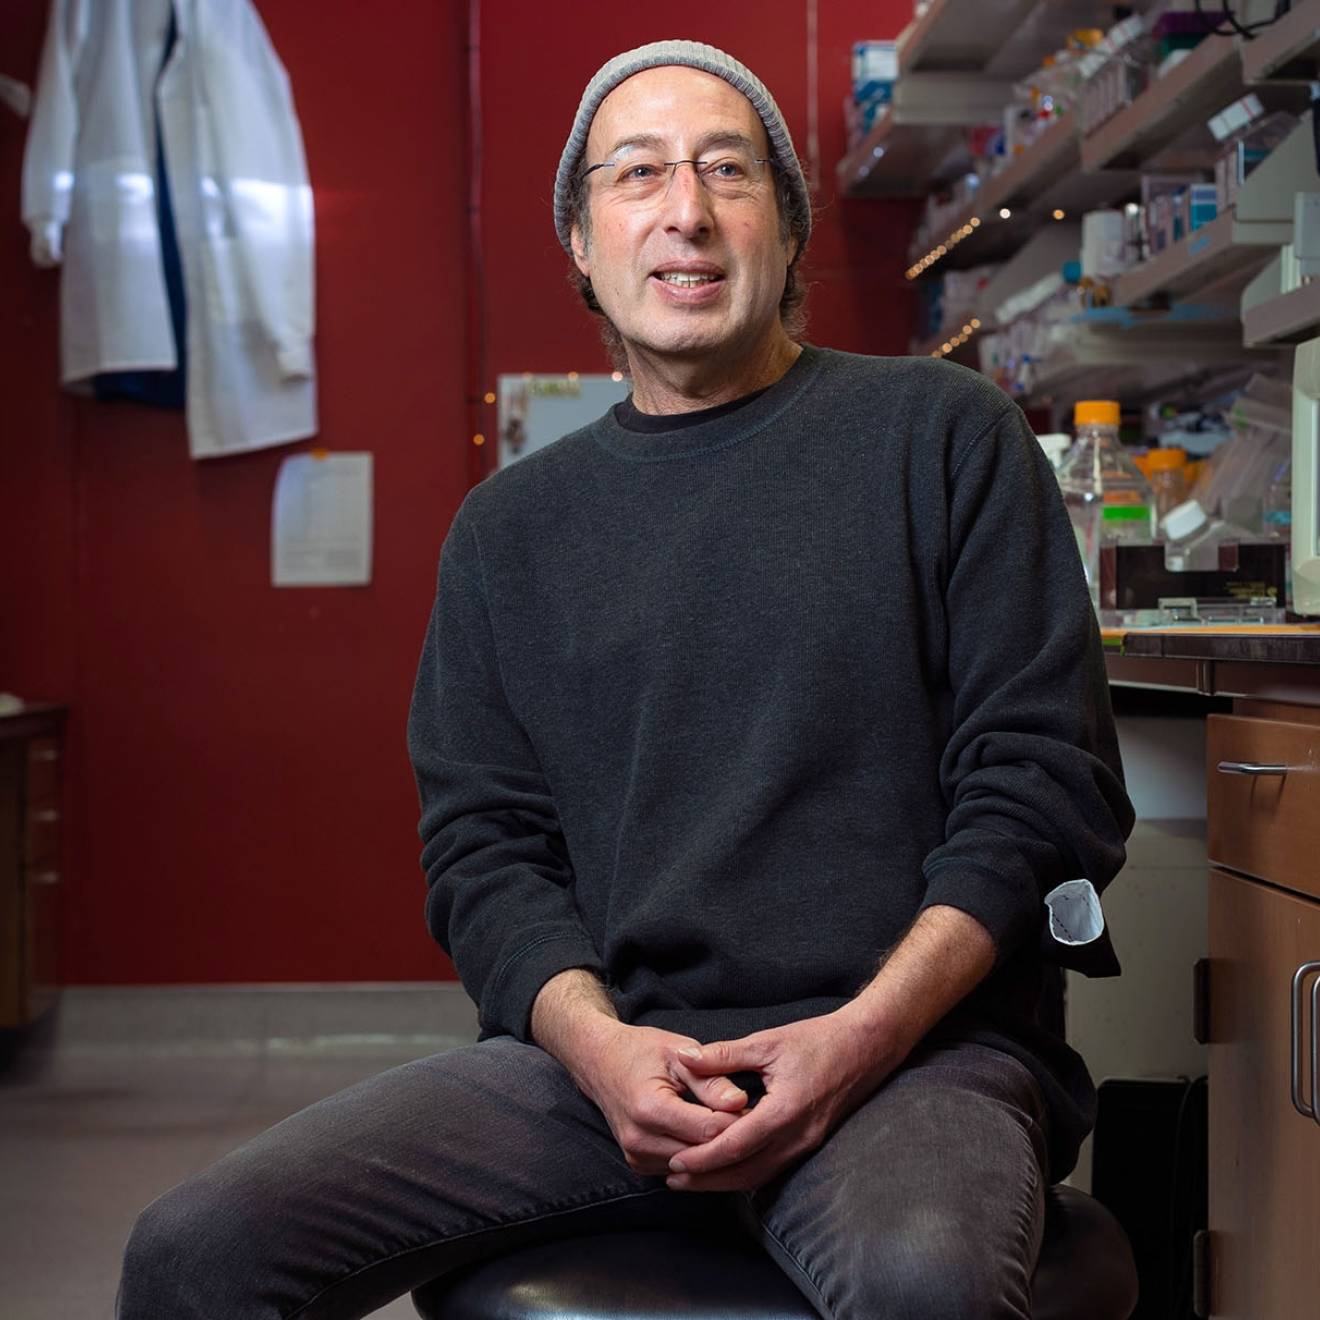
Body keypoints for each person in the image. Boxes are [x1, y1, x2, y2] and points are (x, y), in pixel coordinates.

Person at [116, 40, 1134, 1319]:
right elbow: (485, 853)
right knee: (192, 1254)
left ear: (788, 232)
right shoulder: (509, 532)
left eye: (727, 170)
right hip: (615, 1062)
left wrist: (858, 1037)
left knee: (925, 1282)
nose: (686, 210)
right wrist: (601, 1052)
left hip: (913, 1057)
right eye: (637, 174)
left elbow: (1043, 792)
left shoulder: (941, 437)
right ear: (584, 250)